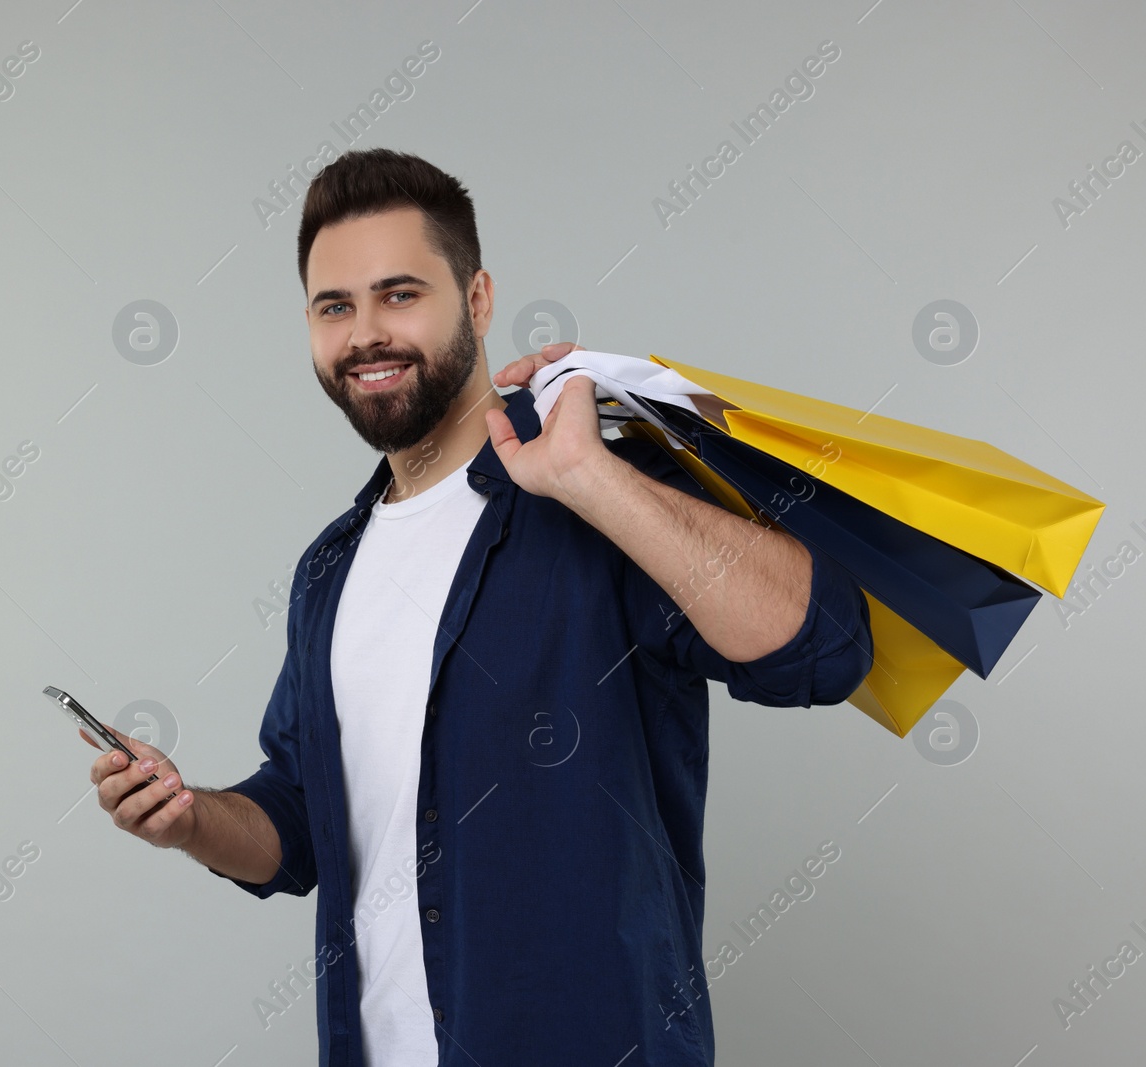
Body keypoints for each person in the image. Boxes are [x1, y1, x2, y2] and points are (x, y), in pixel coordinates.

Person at [86, 148, 874, 1066]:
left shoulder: (594, 493)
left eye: (400, 293)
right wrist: (188, 819)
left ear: (479, 298)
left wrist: (591, 477)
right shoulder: (328, 571)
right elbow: (301, 829)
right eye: (334, 307)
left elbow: (822, 648)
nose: (367, 333)